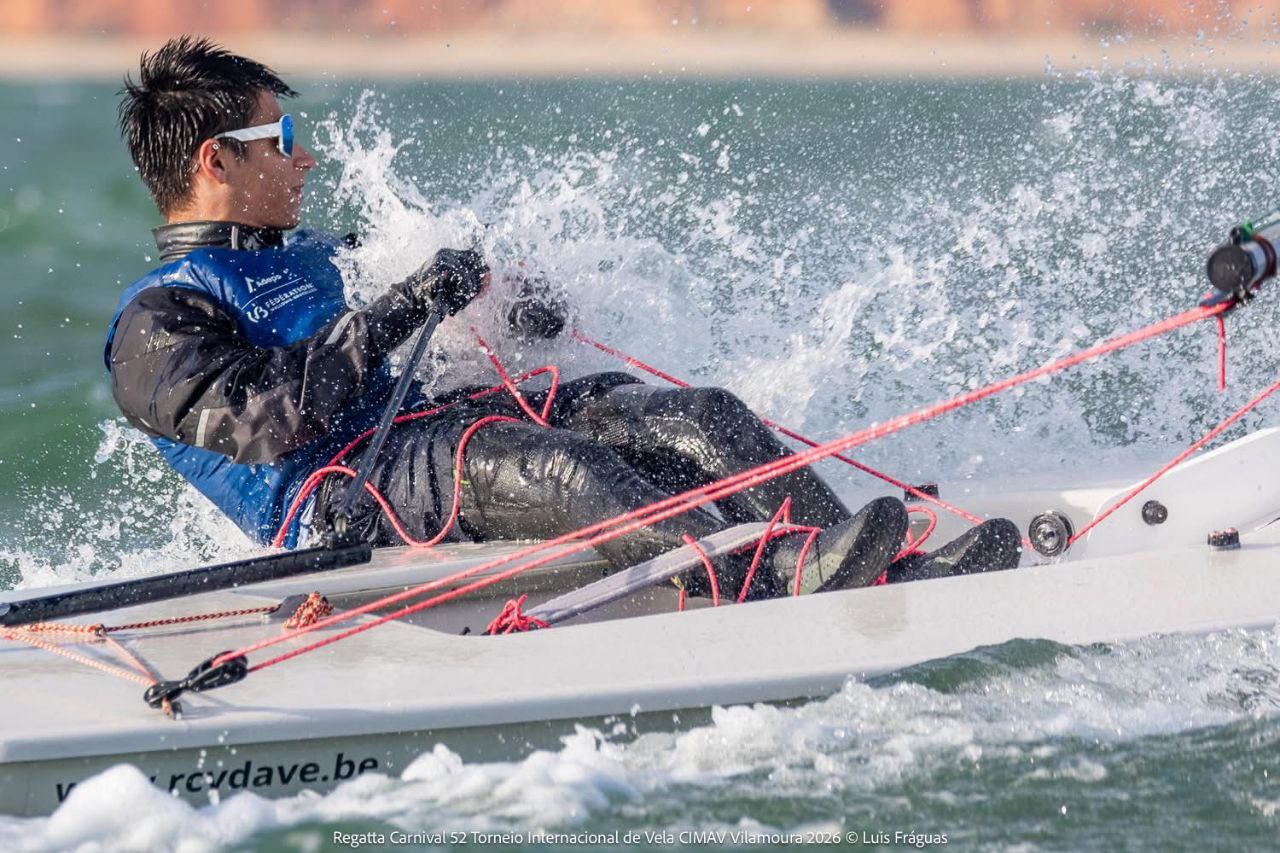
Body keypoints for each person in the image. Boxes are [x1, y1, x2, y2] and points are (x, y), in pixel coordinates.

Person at [107, 37, 1020, 602]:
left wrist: (510, 302)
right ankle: (775, 577)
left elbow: (410, 319)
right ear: (215, 161)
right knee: (561, 468)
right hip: (338, 498)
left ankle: (875, 563)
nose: (306, 159)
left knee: (699, 417)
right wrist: (402, 304)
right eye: (282, 140)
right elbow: (267, 419)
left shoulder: (317, 250)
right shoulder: (158, 319)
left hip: (424, 435)